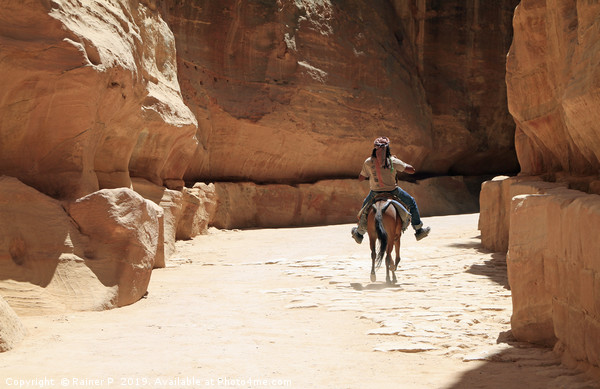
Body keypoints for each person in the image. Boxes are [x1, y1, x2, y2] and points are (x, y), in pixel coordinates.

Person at [351, 136, 431, 244]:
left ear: (375, 148)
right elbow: (412, 170)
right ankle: (418, 230)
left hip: (375, 192)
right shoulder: (393, 161)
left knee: (364, 209)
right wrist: (401, 163)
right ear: (388, 149)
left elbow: (361, 178)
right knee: (411, 202)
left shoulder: (368, 162)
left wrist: (370, 172)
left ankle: (359, 233)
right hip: (393, 191)